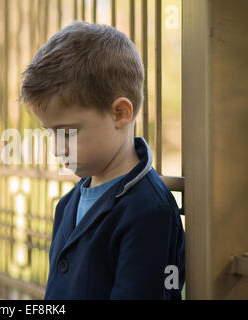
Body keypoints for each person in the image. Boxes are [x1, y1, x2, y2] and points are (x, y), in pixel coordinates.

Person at [19, 21, 185, 299]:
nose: (57, 149)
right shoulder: (67, 205)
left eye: (67, 133)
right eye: (51, 133)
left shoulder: (148, 211)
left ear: (120, 113)